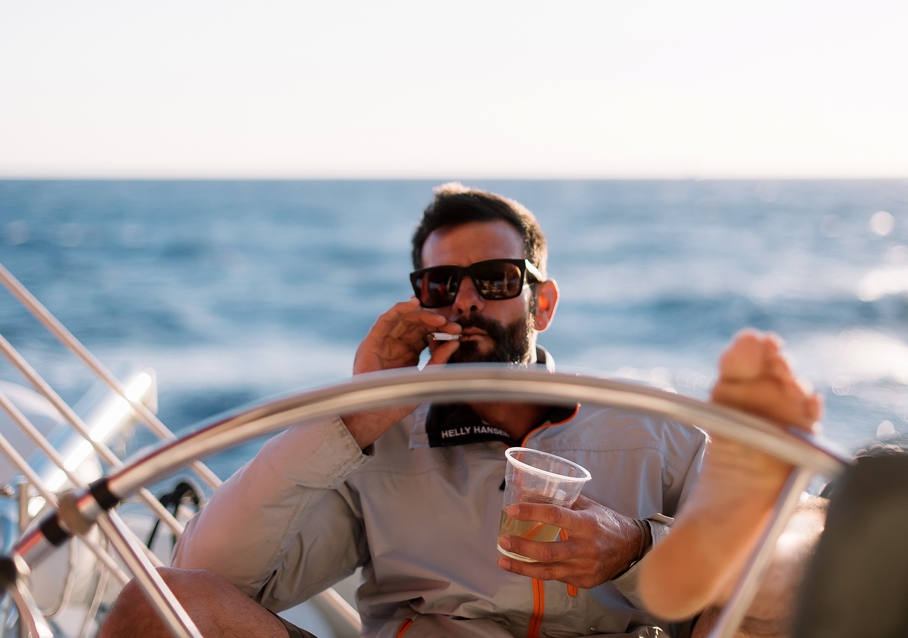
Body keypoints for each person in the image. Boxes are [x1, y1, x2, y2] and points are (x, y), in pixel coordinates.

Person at [101, 184, 823, 638]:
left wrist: (635, 549)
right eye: (442, 284)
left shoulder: (648, 427)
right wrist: (353, 413)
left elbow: (774, 552)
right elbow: (212, 573)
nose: (468, 301)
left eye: (495, 279)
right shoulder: (379, 445)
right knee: (158, 604)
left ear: (542, 303)